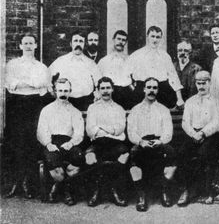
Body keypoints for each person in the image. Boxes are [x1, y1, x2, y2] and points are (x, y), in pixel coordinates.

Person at [4, 32, 50, 199]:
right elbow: (10, 84)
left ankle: (28, 184)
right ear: (20, 46)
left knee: (31, 142)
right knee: (16, 142)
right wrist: (30, 84)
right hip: (16, 105)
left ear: (36, 46)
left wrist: (23, 84)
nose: (29, 46)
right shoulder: (12, 64)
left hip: (33, 105)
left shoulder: (41, 67)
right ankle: (16, 182)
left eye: (31, 43)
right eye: (26, 43)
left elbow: (42, 85)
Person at [127, 77, 177, 212]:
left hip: (159, 143)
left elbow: (168, 132)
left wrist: (161, 141)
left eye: (154, 88)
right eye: (149, 87)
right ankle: (141, 195)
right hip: (142, 143)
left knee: (171, 152)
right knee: (134, 153)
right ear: (144, 89)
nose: (151, 90)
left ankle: (164, 191)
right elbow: (131, 132)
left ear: (158, 90)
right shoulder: (136, 110)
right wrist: (140, 142)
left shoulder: (163, 110)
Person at [177, 71, 219, 207]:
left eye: (204, 83)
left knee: (204, 154)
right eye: (199, 83)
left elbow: (217, 122)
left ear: (209, 83)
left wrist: (203, 133)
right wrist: (193, 134)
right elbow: (185, 122)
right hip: (193, 134)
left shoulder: (216, 102)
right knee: (182, 153)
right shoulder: (190, 101)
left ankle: (208, 191)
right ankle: (186, 190)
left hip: (210, 135)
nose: (201, 86)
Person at [37, 78, 85, 206]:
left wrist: (72, 143)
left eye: (66, 91)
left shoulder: (75, 111)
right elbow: (42, 130)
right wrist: (48, 144)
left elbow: (79, 132)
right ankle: (66, 191)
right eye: (60, 91)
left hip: (68, 143)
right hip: (51, 142)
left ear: (70, 92)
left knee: (78, 158)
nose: (63, 93)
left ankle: (58, 188)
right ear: (55, 91)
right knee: (56, 168)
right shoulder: (46, 110)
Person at [85, 77, 129, 207]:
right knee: (90, 157)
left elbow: (120, 128)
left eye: (108, 88)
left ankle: (115, 191)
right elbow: (90, 130)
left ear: (112, 89)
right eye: (102, 88)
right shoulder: (92, 108)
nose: (105, 91)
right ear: (98, 90)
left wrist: (101, 128)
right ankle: (96, 191)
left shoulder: (119, 108)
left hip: (115, 144)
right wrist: (110, 130)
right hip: (98, 143)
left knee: (124, 156)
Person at [126, 25, 184, 109]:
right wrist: (134, 89)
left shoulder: (165, 56)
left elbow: (173, 77)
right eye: (152, 36)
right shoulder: (137, 55)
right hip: (142, 90)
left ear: (161, 38)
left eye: (158, 37)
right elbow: (125, 74)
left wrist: (180, 98)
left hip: (161, 90)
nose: (155, 40)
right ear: (147, 37)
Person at [49, 30, 102, 111]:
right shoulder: (61, 60)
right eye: (75, 41)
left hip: (85, 102)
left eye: (81, 41)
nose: (78, 44)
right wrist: (52, 92)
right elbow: (47, 75)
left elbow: (99, 82)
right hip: (65, 100)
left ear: (85, 44)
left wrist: (97, 94)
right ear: (71, 43)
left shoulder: (91, 63)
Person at [98, 30, 135, 109]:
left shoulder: (130, 60)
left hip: (126, 93)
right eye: (118, 39)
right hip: (111, 93)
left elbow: (134, 78)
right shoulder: (104, 61)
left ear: (125, 42)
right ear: (113, 40)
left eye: (123, 40)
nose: (121, 42)